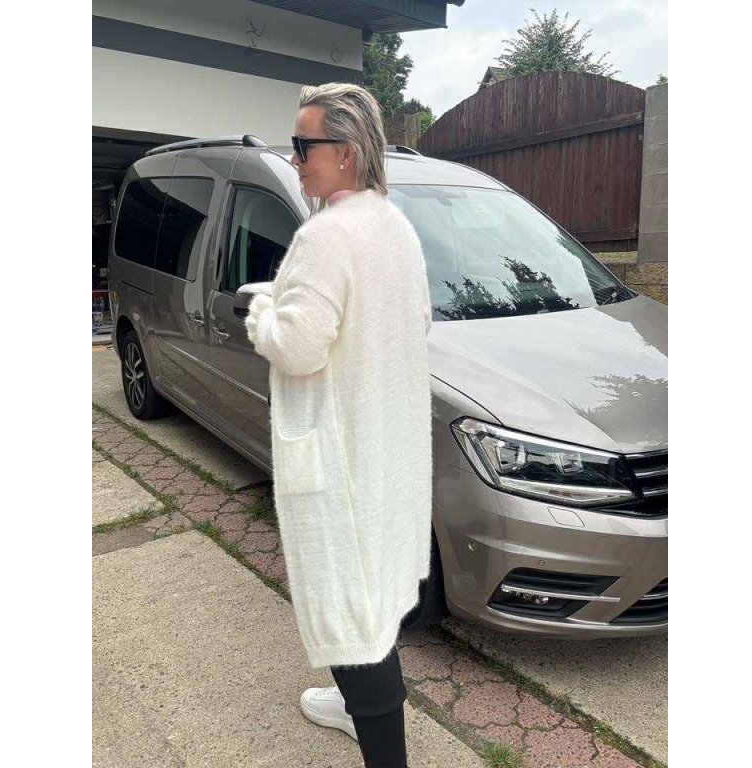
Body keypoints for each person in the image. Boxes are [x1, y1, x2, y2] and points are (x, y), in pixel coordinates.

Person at [243, 82, 433, 768]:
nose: (295, 159)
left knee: (347, 608)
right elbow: (406, 322)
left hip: (339, 452)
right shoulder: (394, 227)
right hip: (383, 445)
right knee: (371, 595)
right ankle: (352, 709)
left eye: (304, 145)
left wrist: (262, 312)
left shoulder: (325, 235)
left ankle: (384, 750)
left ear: (346, 152)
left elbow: (297, 347)